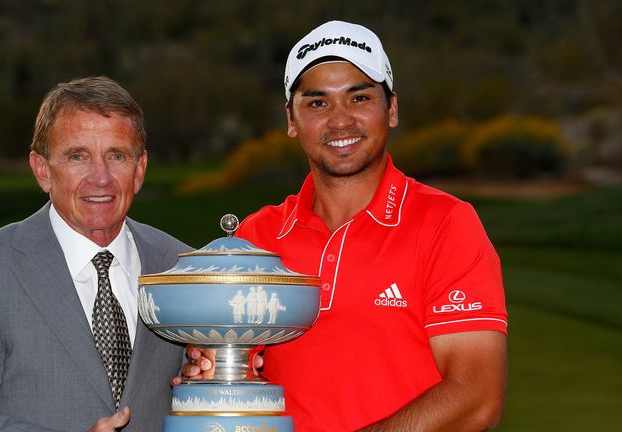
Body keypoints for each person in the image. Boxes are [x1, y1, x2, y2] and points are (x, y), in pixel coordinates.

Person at [179, 21, 508, 431]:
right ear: (291, 119)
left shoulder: (446, 223)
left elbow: (476, 396)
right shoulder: (256, 236)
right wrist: (206, 370)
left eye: (359, 97)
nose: (339, 120)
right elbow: (231, 376)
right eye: (317, 103)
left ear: (391, 109)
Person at [0, 76, 190, 432]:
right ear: (42, 170)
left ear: (139, 170)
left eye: (117, 156)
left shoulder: (182, 266)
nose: (101, 177)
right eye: (78, 156)